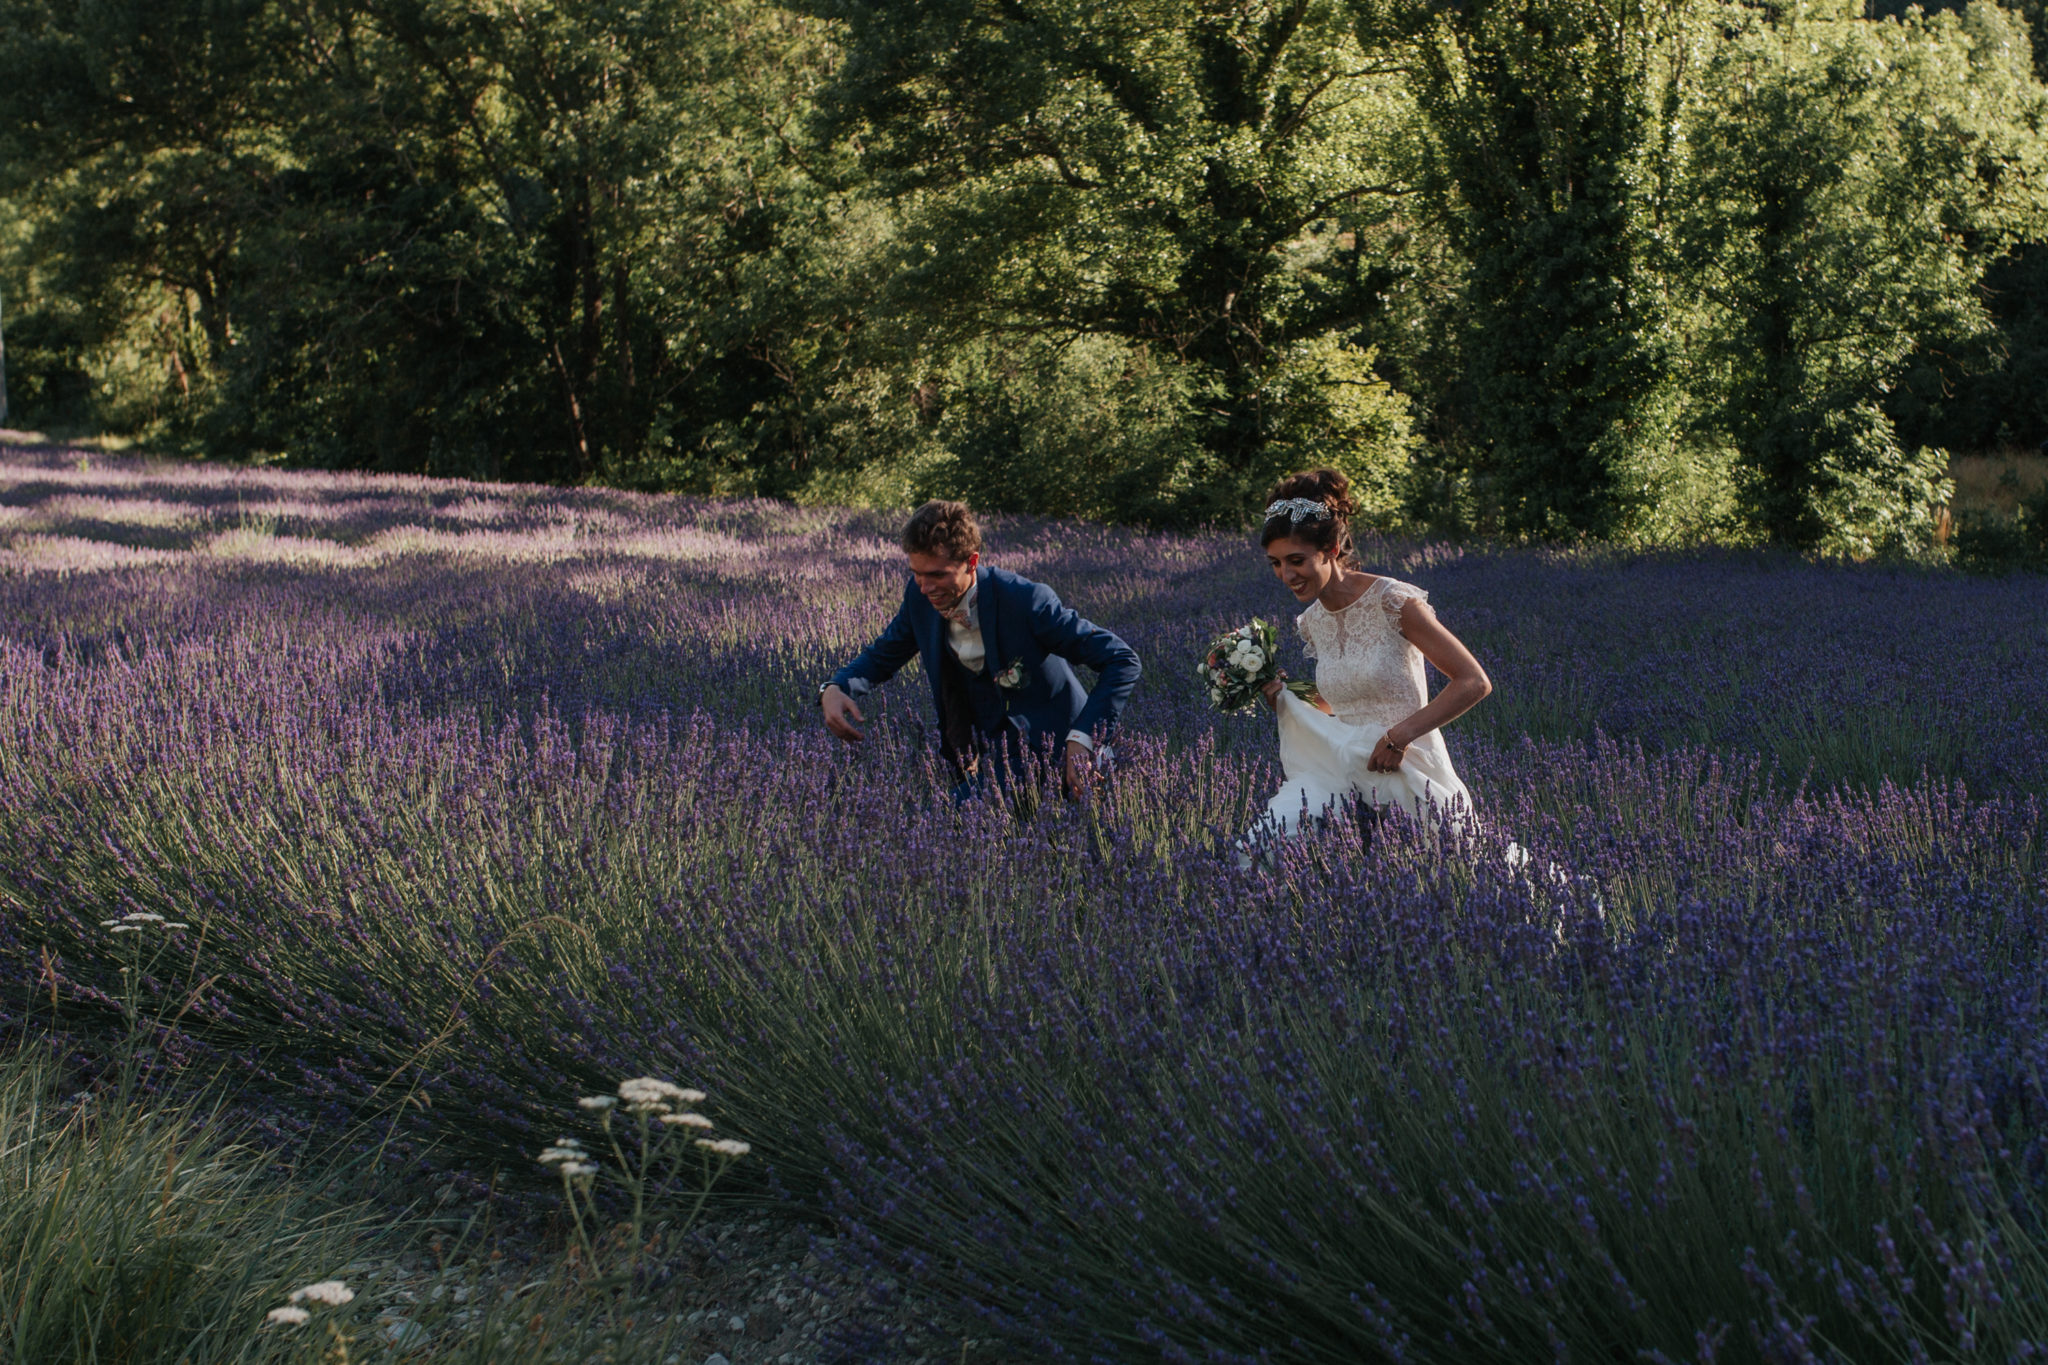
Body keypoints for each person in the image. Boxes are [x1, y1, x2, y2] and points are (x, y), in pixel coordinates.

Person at [820, 500, 1141, 796]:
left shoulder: (1026, 601)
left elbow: (1121, 660)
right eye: (916, 574)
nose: (924, 587)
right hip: (989, 757)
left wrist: (1083, 739)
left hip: (1058, 753)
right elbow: (883, 654)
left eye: (936, 575)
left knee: (958, 829)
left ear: (971, 562)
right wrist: (836, 686)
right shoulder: (920, 597)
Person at [1251, 468, 1491, 839]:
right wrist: (1288, 699)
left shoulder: (1393, 601)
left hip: (1410, 769)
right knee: (1273, 842)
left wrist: (1400, 737)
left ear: (1330, 550)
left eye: (1296, 560)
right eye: (1276, 563)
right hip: (1344, 771)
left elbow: (1473, 682)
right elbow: (1342, 703)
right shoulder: (1311, 622)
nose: (1286, 575)